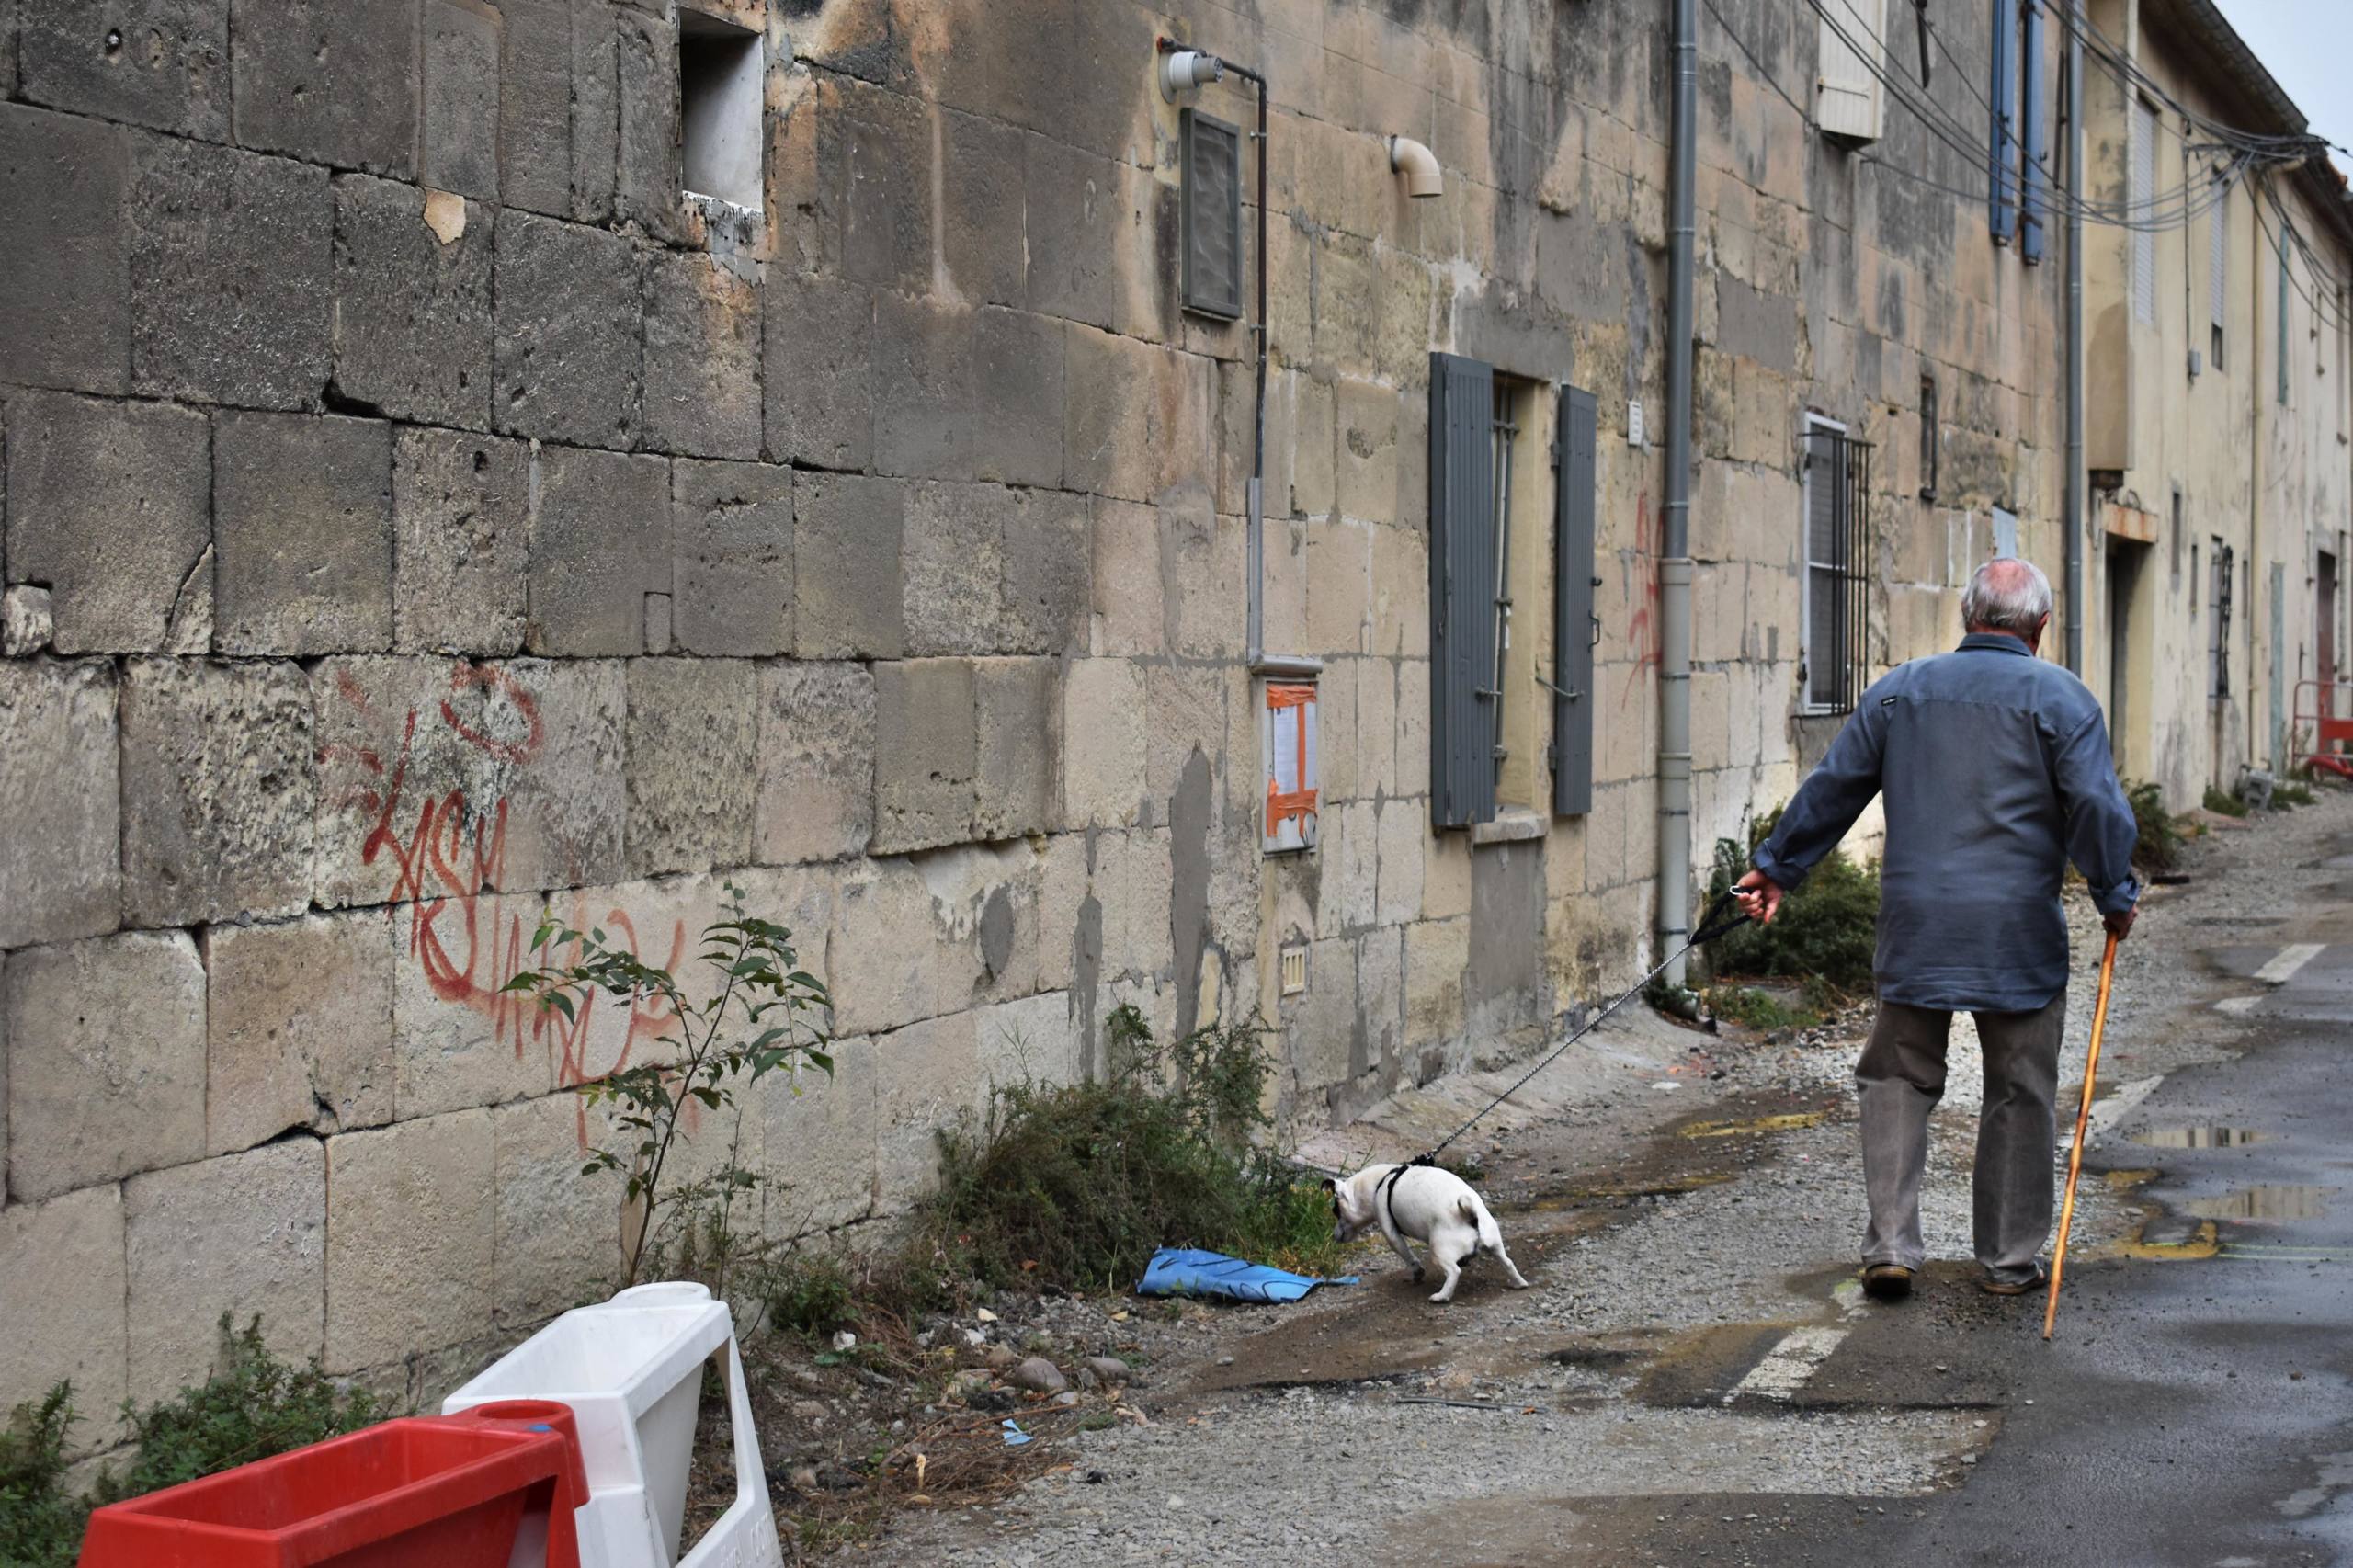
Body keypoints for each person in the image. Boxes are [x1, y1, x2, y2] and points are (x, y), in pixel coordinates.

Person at [1733, 558, 2140, 1300]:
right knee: (2020, 1090)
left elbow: (1835, 786)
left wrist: (1777, 867)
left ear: (1966, 614)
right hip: (2016, 934)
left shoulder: (1901, 692)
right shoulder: (2062, 699)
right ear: (2040, 627)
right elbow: (2098, 809)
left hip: (1917, 925)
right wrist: (2114, 892)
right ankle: (2008, 1263)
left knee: (1895, 1075)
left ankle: (1890, 1245)